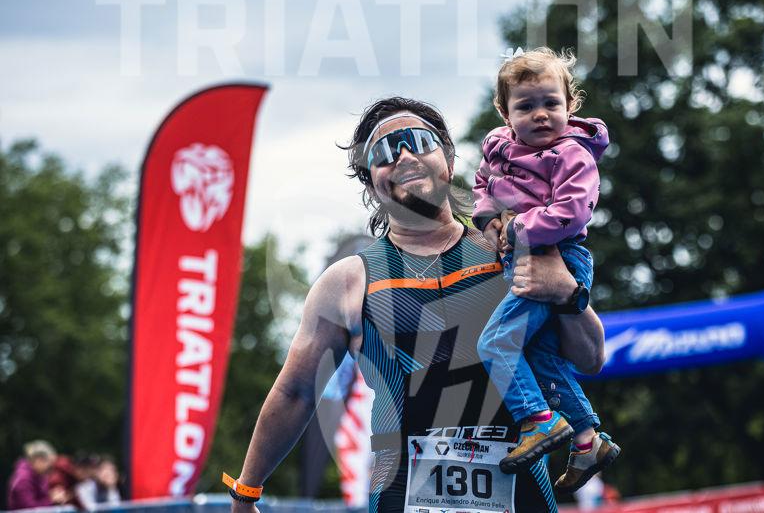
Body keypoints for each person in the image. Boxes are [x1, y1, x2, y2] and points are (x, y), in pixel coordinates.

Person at [227, 97, 607, 513]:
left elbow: (590, 359)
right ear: (370, 183)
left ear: (449, 161)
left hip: (523, 496)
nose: (405, 156)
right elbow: (295, 392)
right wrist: (246, 493)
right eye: (385, 151)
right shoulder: (348, 282)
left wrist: (569, 294)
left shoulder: (511, 250)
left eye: (419, 142)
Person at [472, 47, 620, 491]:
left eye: (551, 103)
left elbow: (573, 211)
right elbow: (483, 185)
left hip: (558, 254)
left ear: (570, 105)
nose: (540, 114)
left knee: (496, 342)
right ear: (505, 113)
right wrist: (488, 219)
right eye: (526, 106)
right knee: (539, 356)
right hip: (518, 254)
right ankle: (587, 441)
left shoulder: (572, 153)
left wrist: (518, 228)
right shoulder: (498, 147)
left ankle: (538, 420)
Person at [6, 440, 58, 510]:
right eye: (50, 465)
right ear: (39, 460)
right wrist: (51, 500)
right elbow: (30, 509)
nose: (51, 469)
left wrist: (52, 496)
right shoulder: (23, 480)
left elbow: (41, 498)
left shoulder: (39, 476)